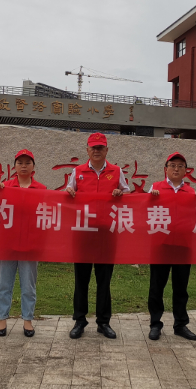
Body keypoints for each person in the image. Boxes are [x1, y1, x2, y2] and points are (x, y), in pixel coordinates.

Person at [65, 132, 130, 339]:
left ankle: (103, 322)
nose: (96, 150)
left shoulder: (116, 171)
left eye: (100, 147)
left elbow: (128, 193)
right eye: (93, 147)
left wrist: (121, 193)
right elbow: (69, 191)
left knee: (104, 280)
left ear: (106, 150)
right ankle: (79, 320)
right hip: (83, 233)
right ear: (87, 150)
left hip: (106, 234)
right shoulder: (78, 171)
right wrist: (69, 191)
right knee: (81, 280)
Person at [147, 152, 196, 341]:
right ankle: (155, 324)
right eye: (172, 165)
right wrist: (150, 199)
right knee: (157, 287)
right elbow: (143, 212)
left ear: (186, 171)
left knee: (181, 288)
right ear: (166, 169)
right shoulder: (155, 188)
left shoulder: (191, 192)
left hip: (183, 246)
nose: (176, 169)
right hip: (160, 246)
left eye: (180, 166)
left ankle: (180, 325)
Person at [0, 149, 47, 338]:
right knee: (4, 284)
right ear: (14, 166)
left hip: (30, 245)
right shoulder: (5, 186)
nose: (23, 166)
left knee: (28, 286)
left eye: (27, 163)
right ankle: (2, 319)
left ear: (33, 166)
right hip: (7, 243)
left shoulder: (41, 189)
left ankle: (28, 320)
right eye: (20, 163)